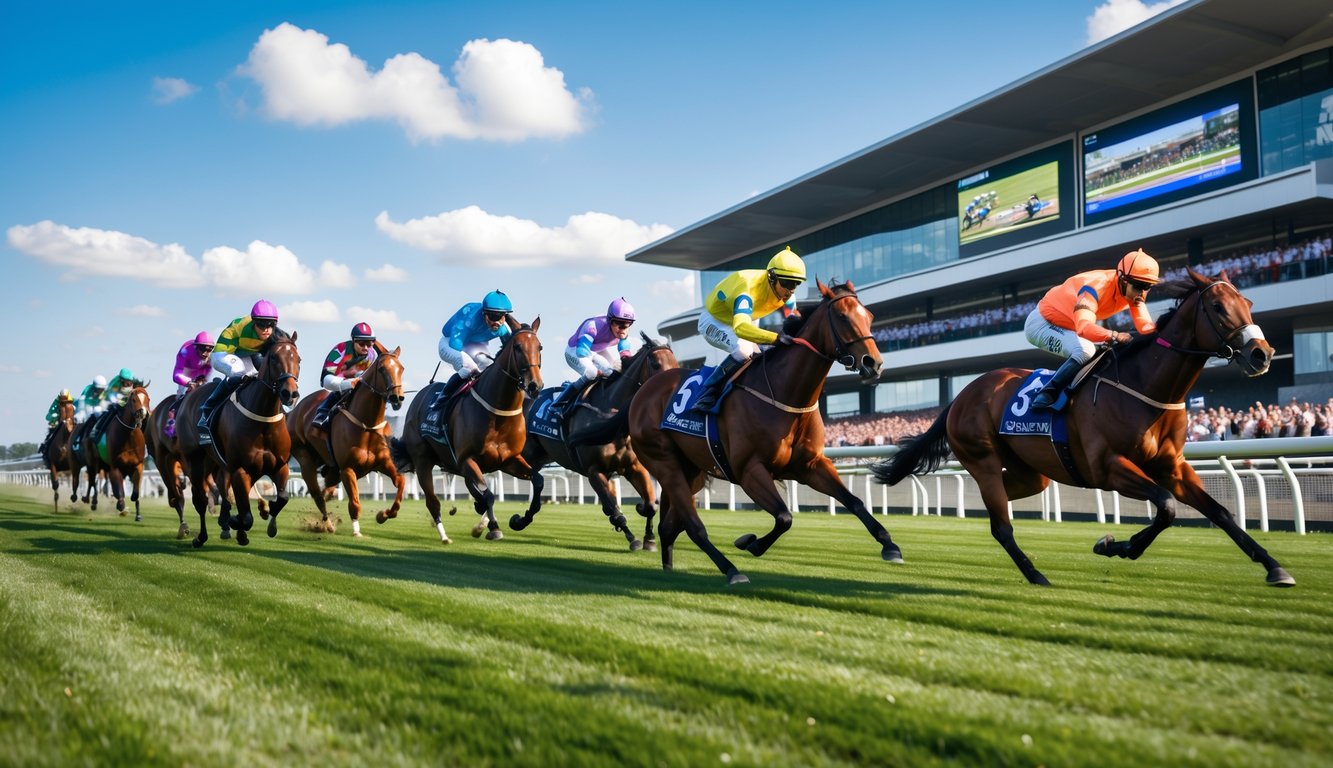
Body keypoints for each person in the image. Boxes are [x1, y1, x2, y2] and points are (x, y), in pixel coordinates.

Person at [1024, 248, 1160, 410]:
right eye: (1139, 286)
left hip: (1069, 325)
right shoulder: (1095, 287)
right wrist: (1114, 334)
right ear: (1123, 279)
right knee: (1086, 351)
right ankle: (1047, 393)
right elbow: (1083, 328)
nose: (1142, 293)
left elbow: (1146, 327)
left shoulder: (1132, 292)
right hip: (1042, 324)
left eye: (1148, 286)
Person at [692, 246, 805, 413]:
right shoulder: (747, 291)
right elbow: (740, 328)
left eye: (796, 283)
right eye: (786, 283)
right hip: (715, 321)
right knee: (744, 352)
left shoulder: (788, 295)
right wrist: (775, 338)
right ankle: (708, 391)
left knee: (764, 354)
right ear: (771, 277)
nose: (790, 290)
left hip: (747, 316)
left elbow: (794, 318)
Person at [196, 299, 284, 445]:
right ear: (253, 322)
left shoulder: (275, 334)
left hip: (249, 354)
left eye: (271, 324)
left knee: (262, 377)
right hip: (224, 354)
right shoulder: (239, 327)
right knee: (238, 371)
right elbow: (226, 354)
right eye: (262, 324)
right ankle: (207, 410)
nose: (267, 329)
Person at [548, 298, 637, 418]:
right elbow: (582, 352)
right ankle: (557, 404)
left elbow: (625, 354)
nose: (623, 329)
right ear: (610, 320)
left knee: (613, 373)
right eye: (619, 324)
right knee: (591, 373)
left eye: (627, 324)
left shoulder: (623, 329)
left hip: (596, 350)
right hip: (576, 350)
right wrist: (600, 371)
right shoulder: (592, 326)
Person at [435, 290, 514, 404]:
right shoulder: (469, 320)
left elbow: (510, 352)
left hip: (474, 344)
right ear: (484, 314)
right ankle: (443, 398)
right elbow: (456, 346)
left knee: (490, 367)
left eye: (501, 317)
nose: (497, 322)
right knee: (469, 368)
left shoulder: (503, 328)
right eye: (493, 316)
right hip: (450, 343)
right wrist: (474, 372)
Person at [312, 322, 379, 433]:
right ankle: (322, 412)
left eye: (369, 343)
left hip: (359, 382)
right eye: (362, 343)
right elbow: (326, 379)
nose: (366, 348)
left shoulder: (373, 355)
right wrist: (348, 383)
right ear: (353, 341)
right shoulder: (339, 350)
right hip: (336, 379)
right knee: (343, 390)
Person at [86, 367, 137, 448]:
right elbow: (111, 396)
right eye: (126, 383)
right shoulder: (115, 383)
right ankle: (96, 431)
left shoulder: (131, 382)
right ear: (121, 380)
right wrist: (117, 403)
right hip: (108, 400)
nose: (129, 385)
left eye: (130, 383)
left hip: (123, 401)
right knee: (105, 413)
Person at [174, 332, 215, 397]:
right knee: (183, 392)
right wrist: (189, 383)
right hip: (186, 369)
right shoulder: (185, 352)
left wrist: (202, 379)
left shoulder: (213, 354)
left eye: (209, 350)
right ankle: (177, 403)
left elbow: (208, 368)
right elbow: (176, 375)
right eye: (202, 349)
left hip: (201, 369)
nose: (205, 353)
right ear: (196, 347)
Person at [38, 389, 75, 455]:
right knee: (51, 434)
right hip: (59, 422)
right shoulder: (56, 402)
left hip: (72, 422)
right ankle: (45, 447)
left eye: (65, 400)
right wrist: (55, 417)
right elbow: (48, 416)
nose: (64, 402)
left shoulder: (74, 401)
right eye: (62, 401)